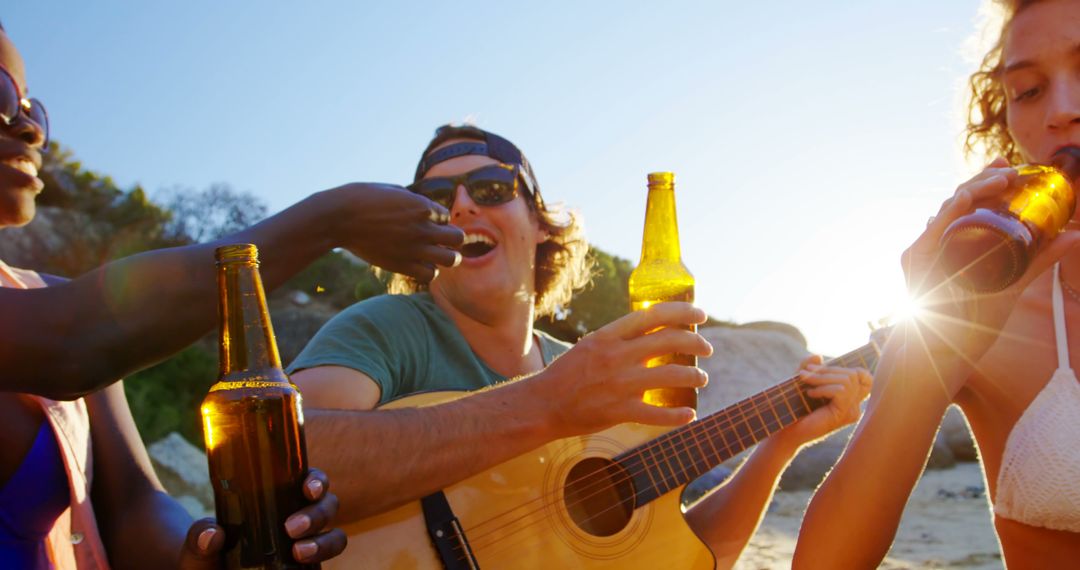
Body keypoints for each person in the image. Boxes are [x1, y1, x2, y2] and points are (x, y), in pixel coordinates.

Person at [288, 124, 872, 568]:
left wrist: (779, 444)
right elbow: (279, 464)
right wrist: (545, 406)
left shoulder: (584, 380)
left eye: (491, 188)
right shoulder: (384, 329)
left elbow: (688, 554)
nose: (463, 206)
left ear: (541, 222)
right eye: (438, 198)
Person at [0, 22, 466, 569]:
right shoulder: (68, 326)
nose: (30, 126)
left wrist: (214, 549)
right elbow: (73, 342)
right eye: (5, 96)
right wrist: (326, 221)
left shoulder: (45, 295)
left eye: (35, 106)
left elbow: (131, 507)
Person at [795, 1, 1080, 567]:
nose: (1062, 111)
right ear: (1007, 127)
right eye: (1027, 90)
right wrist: (927, 359)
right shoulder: (982, 311)